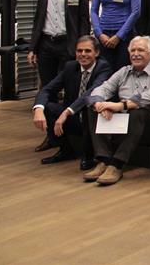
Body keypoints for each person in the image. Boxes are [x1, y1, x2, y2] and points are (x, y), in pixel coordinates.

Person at [84, 36, 150, 185]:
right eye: (133, 50)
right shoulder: (123, 71)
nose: (136, 54)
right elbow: (103, 88)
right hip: (124, 125)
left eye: (141, 50)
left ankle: (117, 165)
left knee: (138, 112)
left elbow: (149, 96)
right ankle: (104, 160)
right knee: (93, 108)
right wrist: (99, 104)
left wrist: (119, 106)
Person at [32, 35, 111, 170]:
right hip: (74, 117)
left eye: (87, 51)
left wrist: (67, 112)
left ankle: (89, 155)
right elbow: (47, 89)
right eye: (79, 51)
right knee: (48, 107)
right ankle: (66, 150)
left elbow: (90, 94)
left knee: (89, 107)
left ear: (97, 53)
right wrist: (38, 109)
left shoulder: (104, 68)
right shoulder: (70, 66)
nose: (83, 54)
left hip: (94, 119)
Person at [28, 0, 91, 92]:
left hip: (68, 43)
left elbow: (84, 21)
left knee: (70, 85)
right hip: (46, 44)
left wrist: (83, 47)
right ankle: (48, 107)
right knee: (47, 86)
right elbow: (38, 20)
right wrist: (32, 48)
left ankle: (68, 108)